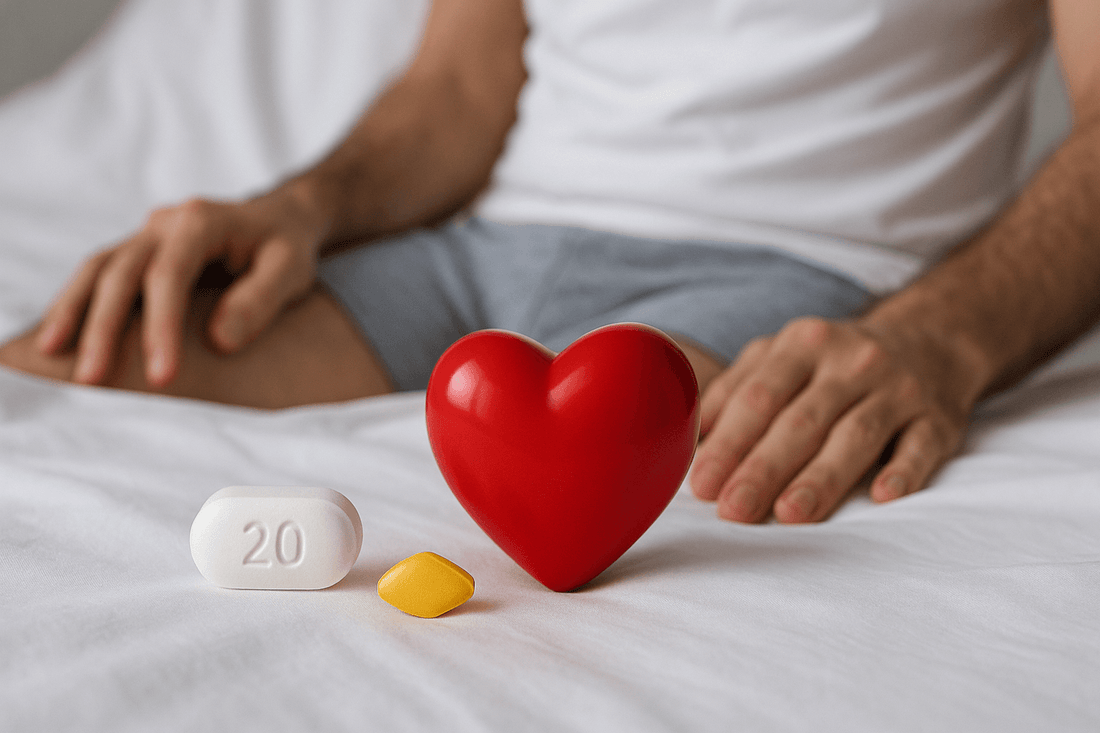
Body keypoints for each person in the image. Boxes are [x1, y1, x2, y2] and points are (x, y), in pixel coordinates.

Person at [2, 0, 1099, 525]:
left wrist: (940, 335)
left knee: (578, 498)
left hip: (789, 277)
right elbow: (458, 90)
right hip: (477, 256)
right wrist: (300, 204)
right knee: (60, 370)